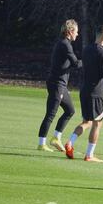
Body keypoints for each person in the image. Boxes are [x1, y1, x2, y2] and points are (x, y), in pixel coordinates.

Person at [64, 25, 103, 162]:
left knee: (86, 122)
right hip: (97, 94)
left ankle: (70, 143)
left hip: (84, 90)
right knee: (97, 124)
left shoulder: (87, 49)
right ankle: (89, 155)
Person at [37, 19, 82, 152]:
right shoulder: (65, 44)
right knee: (51, 114)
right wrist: (89, 61)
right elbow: (75, 63)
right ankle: (41, 143)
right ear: (70, 31)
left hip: (60, 84)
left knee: (70, 110)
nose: (77, 34)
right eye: (76, 31)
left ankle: (56, 138)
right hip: (57, 84)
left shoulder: (65, 43)